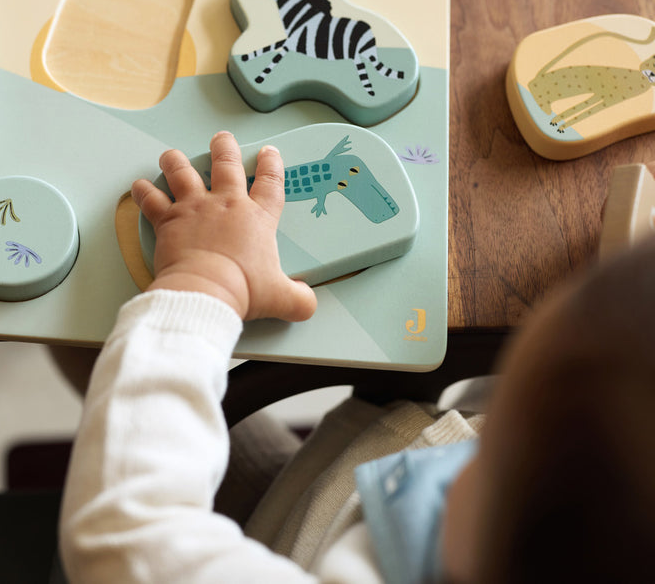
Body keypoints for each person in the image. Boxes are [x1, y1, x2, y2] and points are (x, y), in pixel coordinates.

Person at [58, 131, 655, 583]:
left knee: (89, 330)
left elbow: (129, 535)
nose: (479, 436)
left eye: (494, 441)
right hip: (361, 473)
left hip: (290, 532)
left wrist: (207, 276)